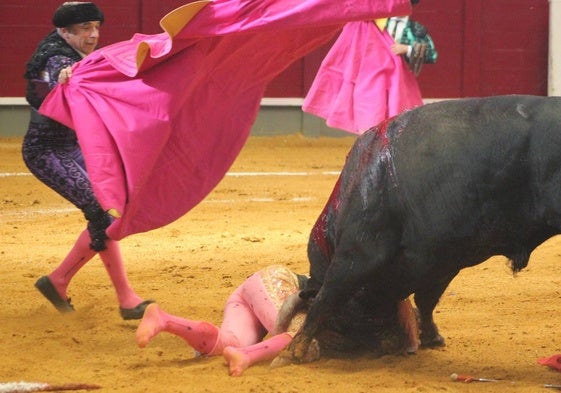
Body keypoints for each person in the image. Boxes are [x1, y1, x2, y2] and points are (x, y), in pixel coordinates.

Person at [23, 2, 152, 320]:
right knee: (102, 217)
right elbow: (51, 84)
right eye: (85, 29)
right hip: (47, 151)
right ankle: (124, 299)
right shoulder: (55, 57)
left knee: (114, 208)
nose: (94, 35)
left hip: (73, 147)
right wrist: (64, 81)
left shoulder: (75, 52)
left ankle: (59, 281)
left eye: (96, 27)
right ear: (64, 32)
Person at [136, 265, 419, 376]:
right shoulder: (376, 297)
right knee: (302, 337)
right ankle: (246, 357)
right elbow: (410, 340)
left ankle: (165, 320)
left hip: (256, 291)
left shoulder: (359, 288)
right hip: (276, 284)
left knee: (227, 343)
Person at [302, 0, 432, 134]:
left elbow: (429, 51)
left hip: (376, 43)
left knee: (376, 92)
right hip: (363, 43)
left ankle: (375, 138)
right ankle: (373, 138)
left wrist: (408, 48)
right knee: (373, 92)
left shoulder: (402, 25)